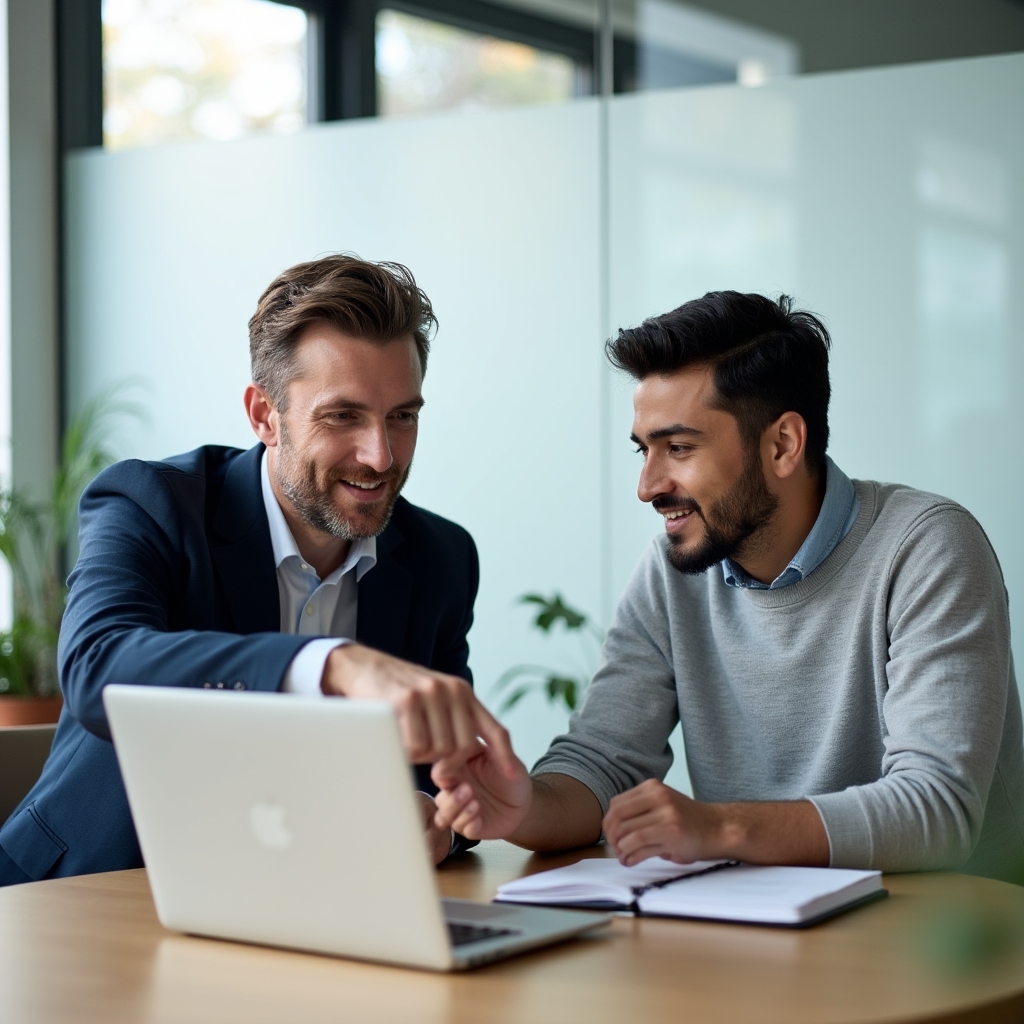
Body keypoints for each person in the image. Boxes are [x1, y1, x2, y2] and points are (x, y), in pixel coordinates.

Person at [433, 291, 1024, 884]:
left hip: (946, 941)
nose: (647, 485)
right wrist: (522, 807)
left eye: (679, 448)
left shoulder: (926, 548)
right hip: (758, 932)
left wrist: (720, 828)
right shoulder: (672, 567)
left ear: (782, 445)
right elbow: (599, 762)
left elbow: (936, 809)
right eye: (645, 450)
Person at [0, 254, 515, 884]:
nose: (380, 456)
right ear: (264, 415)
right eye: (342, 416)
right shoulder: (151, 504)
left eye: (402, 416)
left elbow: (440, 776)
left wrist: (437, 821)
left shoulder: (439, 558)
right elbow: (98, 666)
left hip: (297, 906)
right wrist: (328, 665)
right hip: (82, 893)